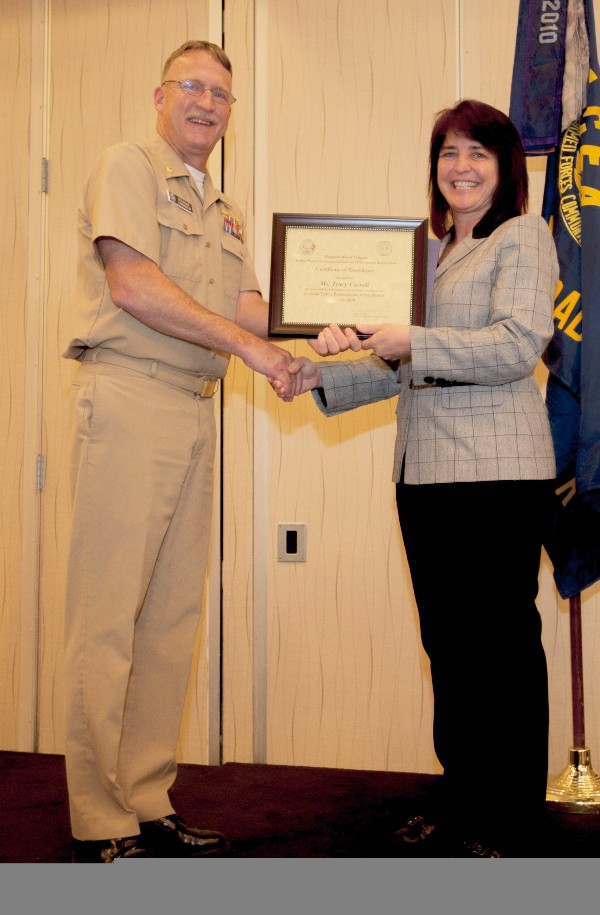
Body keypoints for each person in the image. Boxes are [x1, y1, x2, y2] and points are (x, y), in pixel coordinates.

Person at [271, 99, 559, 857]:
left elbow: (517, 343)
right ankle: (464, 791)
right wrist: (315, 371)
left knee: (500, 644)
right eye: (448, 153)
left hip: (497, 470)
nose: (460, 167)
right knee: (449, 644)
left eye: (478, 153)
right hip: (424, 469)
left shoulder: (521, 238)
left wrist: (412, 338)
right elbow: (396, 363)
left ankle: (511, 811)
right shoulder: (424, 254)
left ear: (505, 168)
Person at [62, 40, 295, 862]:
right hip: (129, 400)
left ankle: (149, 796)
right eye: (193, 86)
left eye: (222, 95)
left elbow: (257, 310)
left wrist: (334, 328)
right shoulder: (125, 164)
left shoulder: (224, 207)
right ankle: (99, 814)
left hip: (198, 411)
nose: (207, 102)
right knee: (107, 619)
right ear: (159, 94)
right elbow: (134, 287)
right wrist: (253, 349)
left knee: (170, 622)